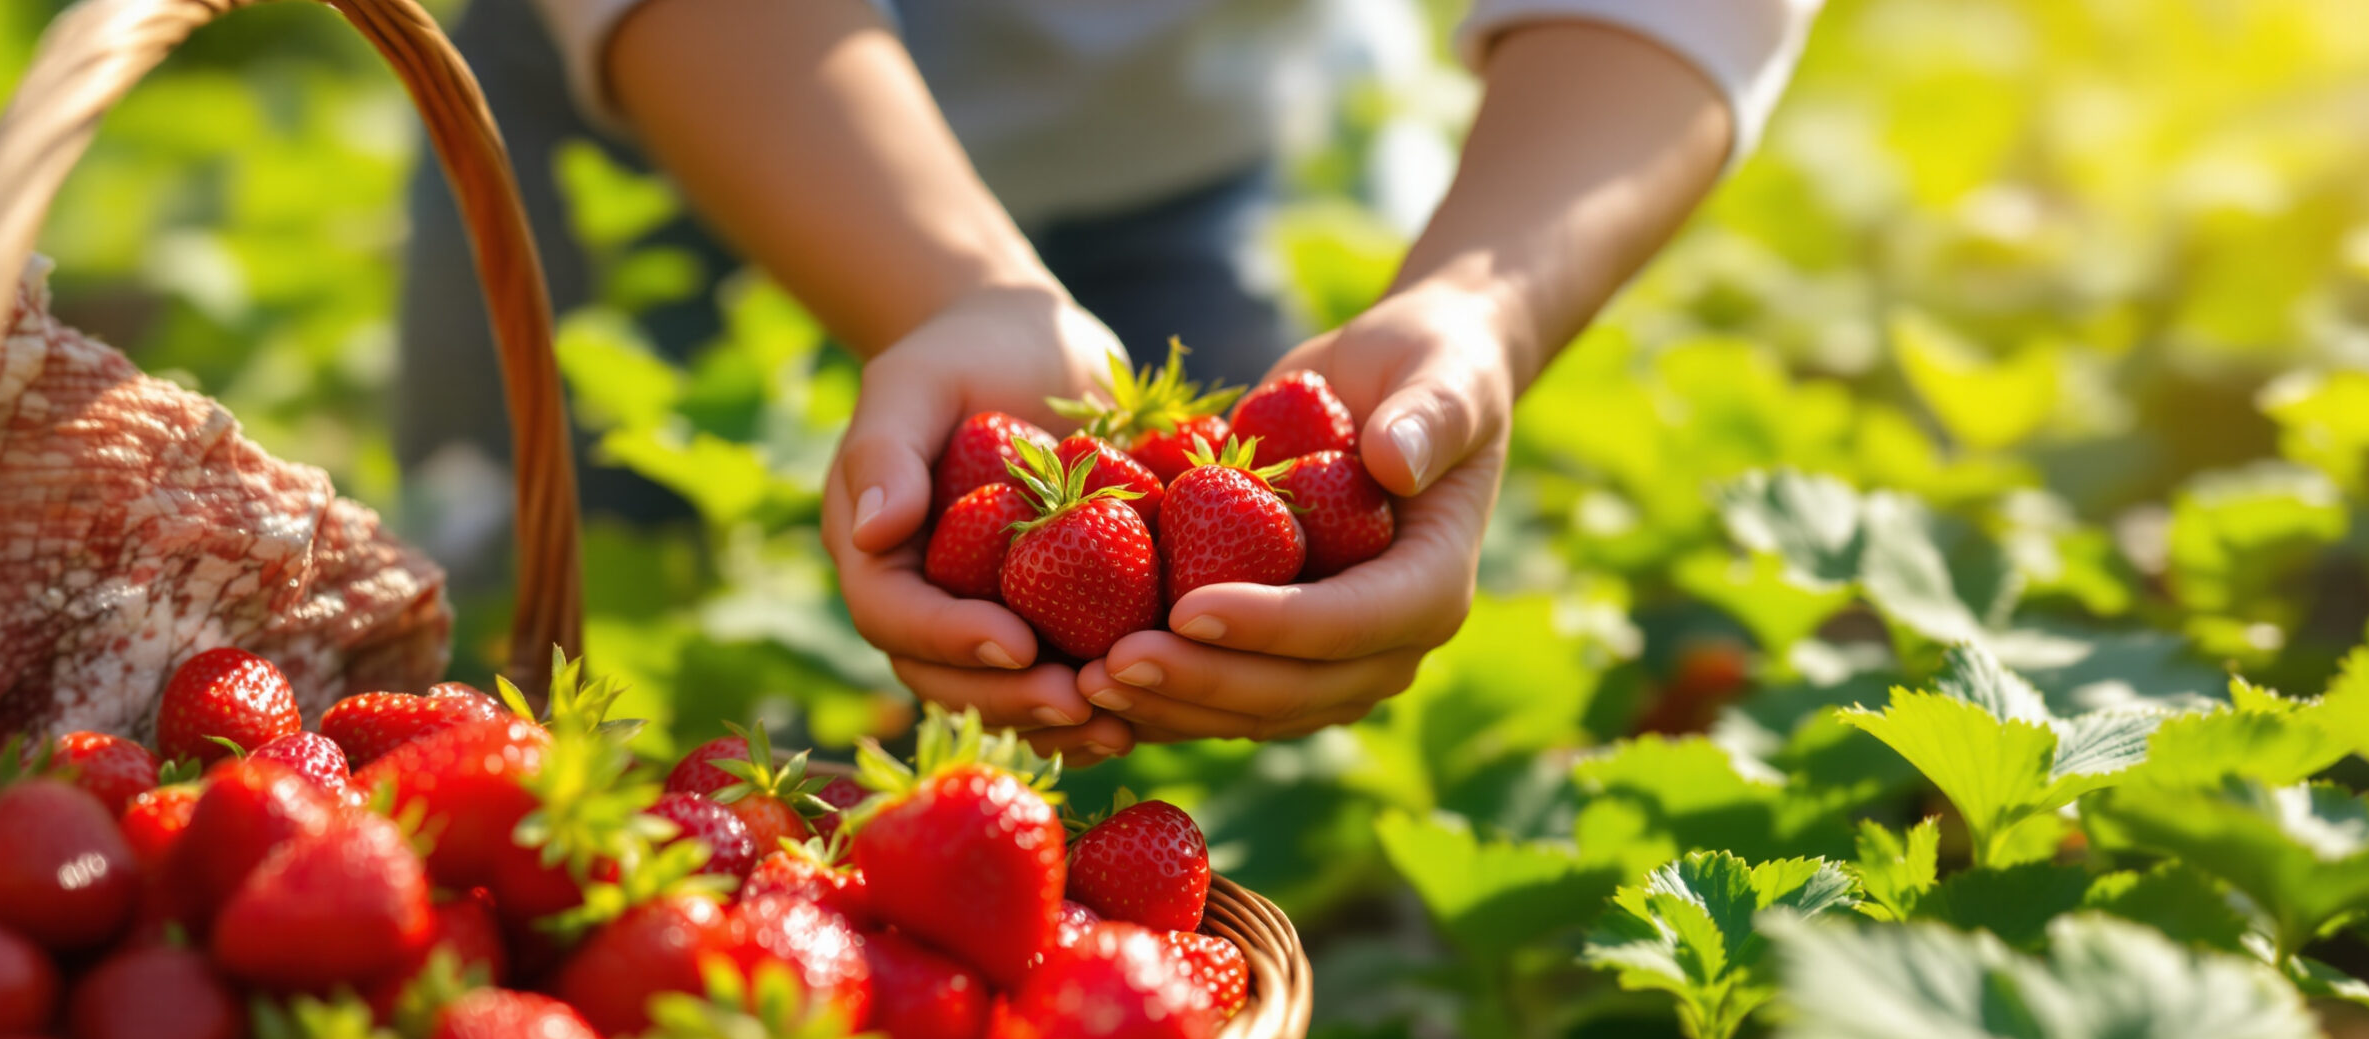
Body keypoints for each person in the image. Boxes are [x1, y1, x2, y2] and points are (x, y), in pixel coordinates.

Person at [400, 0, 1821, 763]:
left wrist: (1478, 306)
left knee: (1169, 723)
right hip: (668, 79)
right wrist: (957, 288)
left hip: (1217, 118)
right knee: (521, 663)